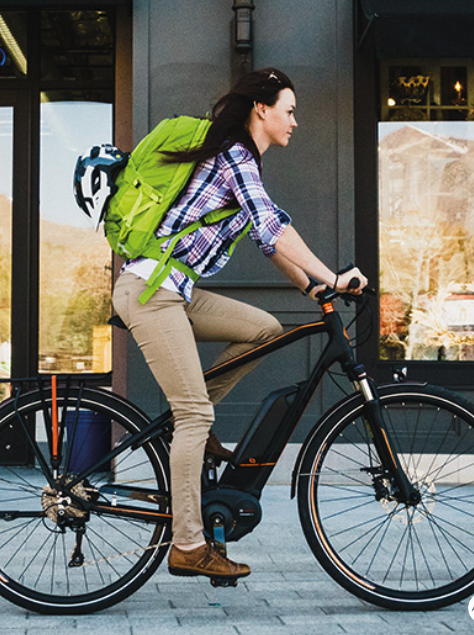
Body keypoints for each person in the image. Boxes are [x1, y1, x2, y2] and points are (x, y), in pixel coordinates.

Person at [112, 67, 367, 580]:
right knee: (193, 418)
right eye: (289, 110)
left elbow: (266, 237)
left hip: (175, 290)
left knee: (264, 329)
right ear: (262, 109)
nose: (295, 121)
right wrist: (334, 277)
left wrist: (310, 286)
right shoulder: (234, 155)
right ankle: (187, 544)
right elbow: (272, 224)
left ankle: (193, 420)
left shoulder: (237, 162)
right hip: (150, 291)